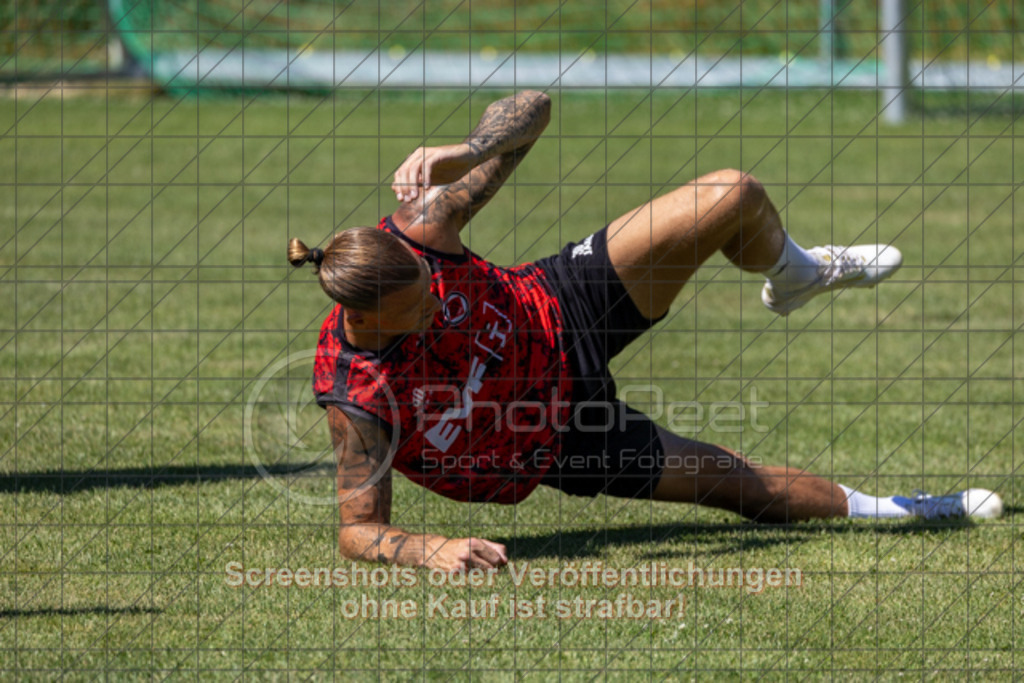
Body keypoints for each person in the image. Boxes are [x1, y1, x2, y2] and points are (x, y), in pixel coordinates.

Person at [289, 91, 1002, 572]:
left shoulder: (421, 235)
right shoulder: (356, 395)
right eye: (421, 305)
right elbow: (357, 529)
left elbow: (533, 109)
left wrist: (467, 152)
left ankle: (797, 272)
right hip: (558, 437)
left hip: (557, 306)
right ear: (370, 320)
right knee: (738, 484)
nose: (436, 297)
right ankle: (912, 508)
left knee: (731, 193)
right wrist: (429, 548)